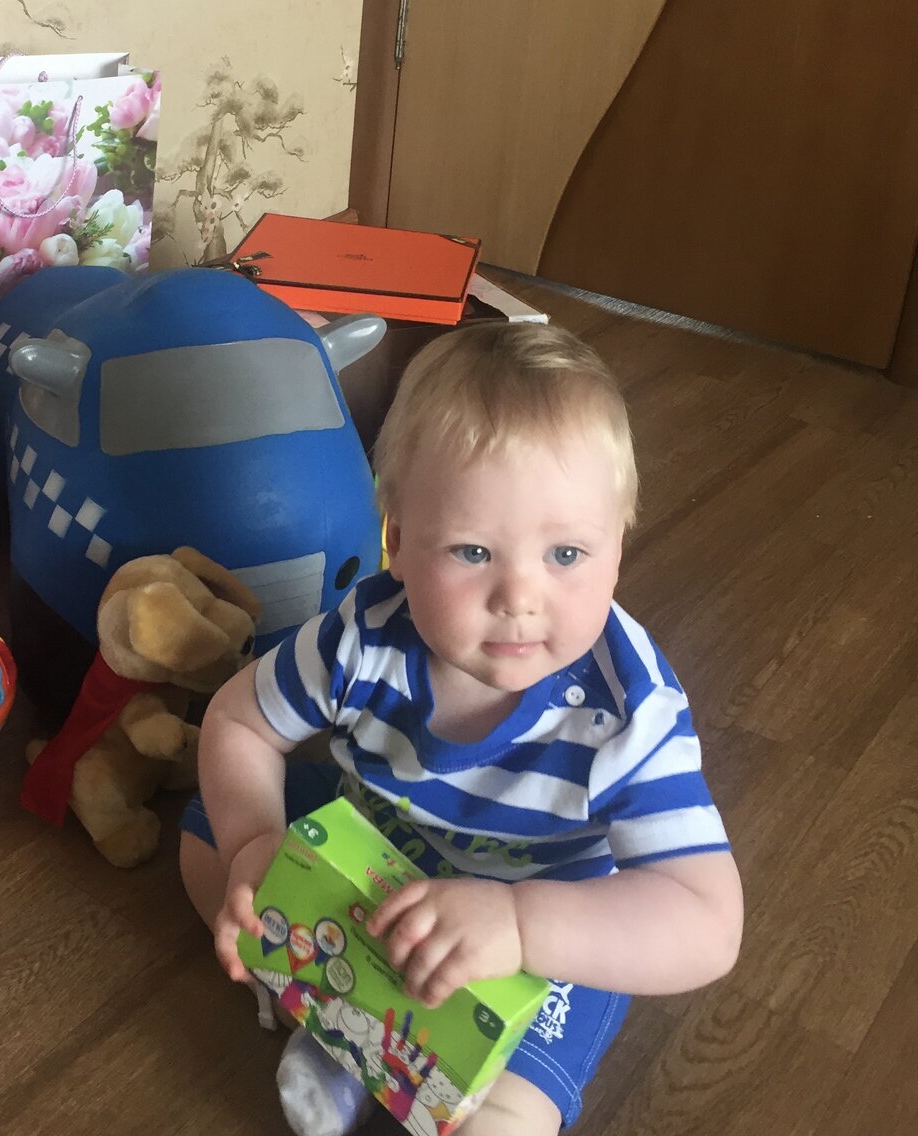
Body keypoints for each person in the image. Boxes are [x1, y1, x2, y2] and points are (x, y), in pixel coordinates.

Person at [179, 322, 743, 1136]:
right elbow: (238, 720)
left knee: (505, 1118)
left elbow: (707, 922)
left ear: (620, 544)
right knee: (209, 831)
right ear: (397, 542)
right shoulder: (364, 636)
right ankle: (339, 1021)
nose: (519, 597)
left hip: (540, 935)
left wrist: (520, 925)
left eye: (567, 555)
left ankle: (359, 1027)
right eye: (473, 552)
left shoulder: (625, 715)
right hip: (377, 873)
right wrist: (255, 846)